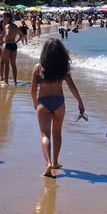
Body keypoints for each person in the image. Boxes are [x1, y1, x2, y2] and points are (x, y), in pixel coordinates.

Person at [31, 38, 85, 177]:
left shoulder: (38, 68)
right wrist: (79, 101)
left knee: (45, 134)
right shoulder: (63, 69)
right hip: (59, 103)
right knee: (57, 132)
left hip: (43, 102)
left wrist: (35, 103)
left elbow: (32, 90)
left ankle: (48, 162)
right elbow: (72, 87)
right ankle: (55, 162)